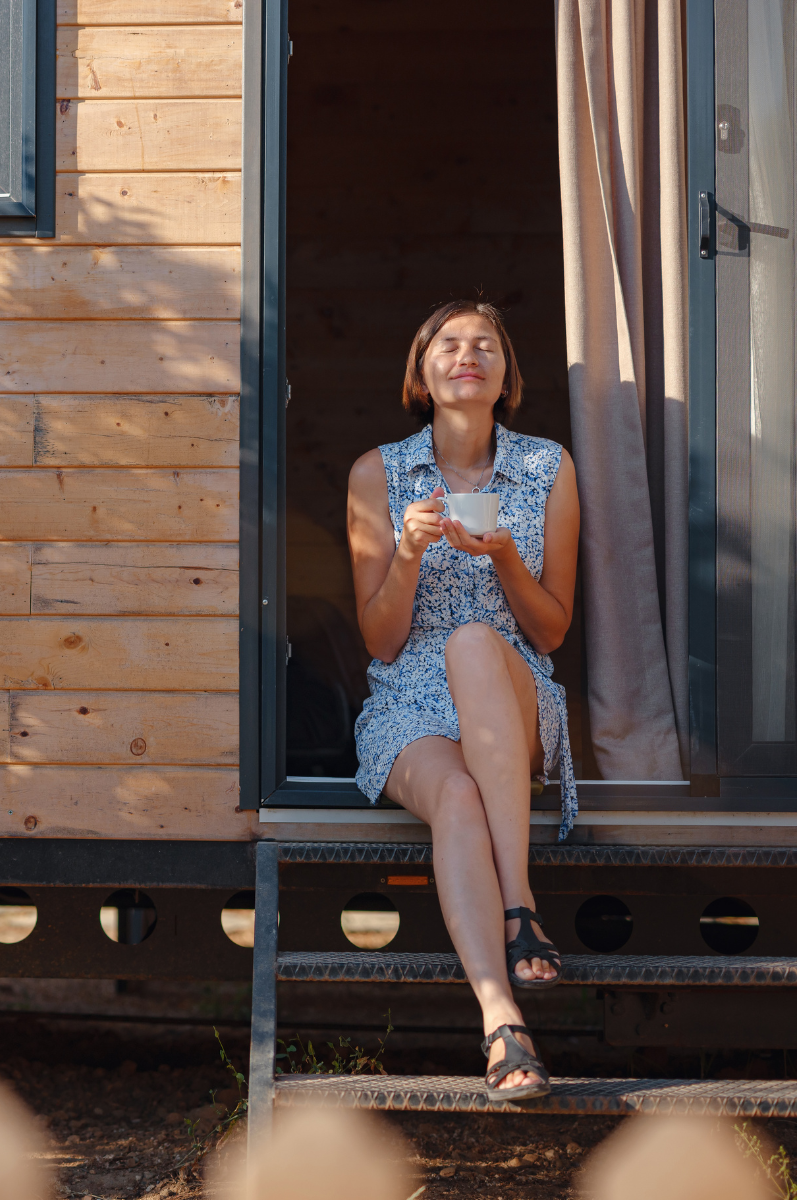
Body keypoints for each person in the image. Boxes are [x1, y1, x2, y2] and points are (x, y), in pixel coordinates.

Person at [346, 299, 580, 1102]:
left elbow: (550, 634)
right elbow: (379, 641)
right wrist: (406, 555)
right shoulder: (377, 474)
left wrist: (508, 558)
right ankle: (500, 1019)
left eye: (486, 344)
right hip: (409, 701)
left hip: (511, 689)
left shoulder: (548, 467)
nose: (468, 353)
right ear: (423, 372)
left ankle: (520, 904)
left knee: (476, 640)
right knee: (455, 795)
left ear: (506, 374)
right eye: (448, 343)